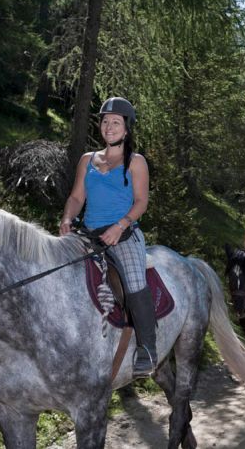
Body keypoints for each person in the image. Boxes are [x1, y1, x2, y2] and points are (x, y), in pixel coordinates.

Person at [59, 97, 157, 379]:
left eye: (116, 122)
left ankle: (147, 349)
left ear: (127, 129)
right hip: (87, 235)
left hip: (123, 236)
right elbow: (77, 197)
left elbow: (141, 202)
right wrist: (67, 218)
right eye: (105, 121)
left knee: (135, 282)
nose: (109, 126)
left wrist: (121, 224)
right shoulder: (87, 160)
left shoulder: (136, 162)